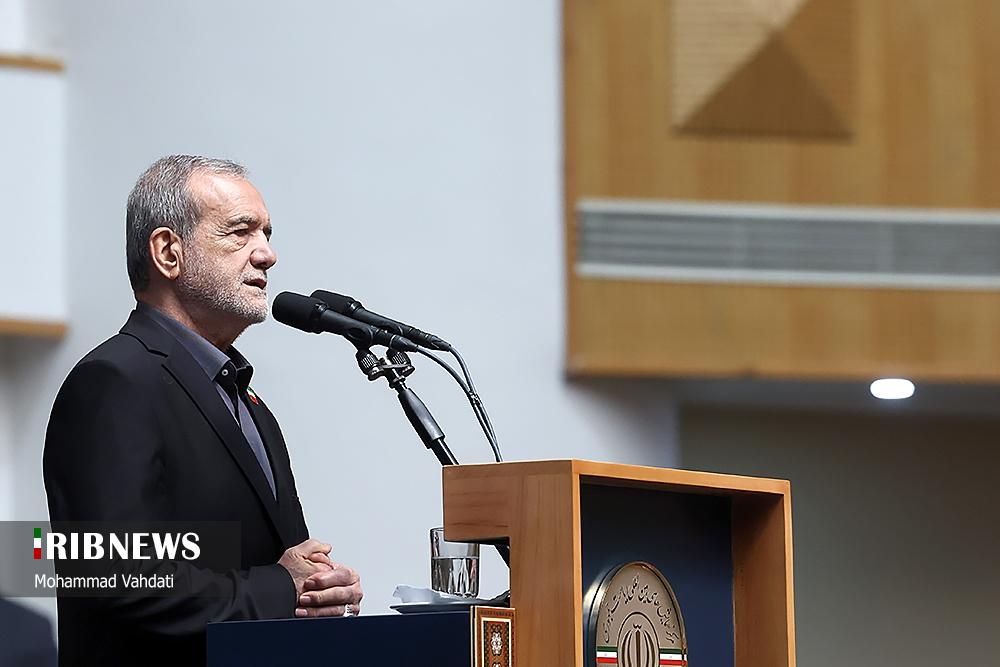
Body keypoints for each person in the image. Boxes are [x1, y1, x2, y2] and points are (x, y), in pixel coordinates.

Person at [43, 155, 362, 666]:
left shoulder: (249, 403)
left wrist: (322, 591)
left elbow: (284, 564)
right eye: (240, 232)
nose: (267, 254)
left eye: (266, 233)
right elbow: (115, 576)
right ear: (168, 252)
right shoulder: (113, 381)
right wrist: (282, 587)